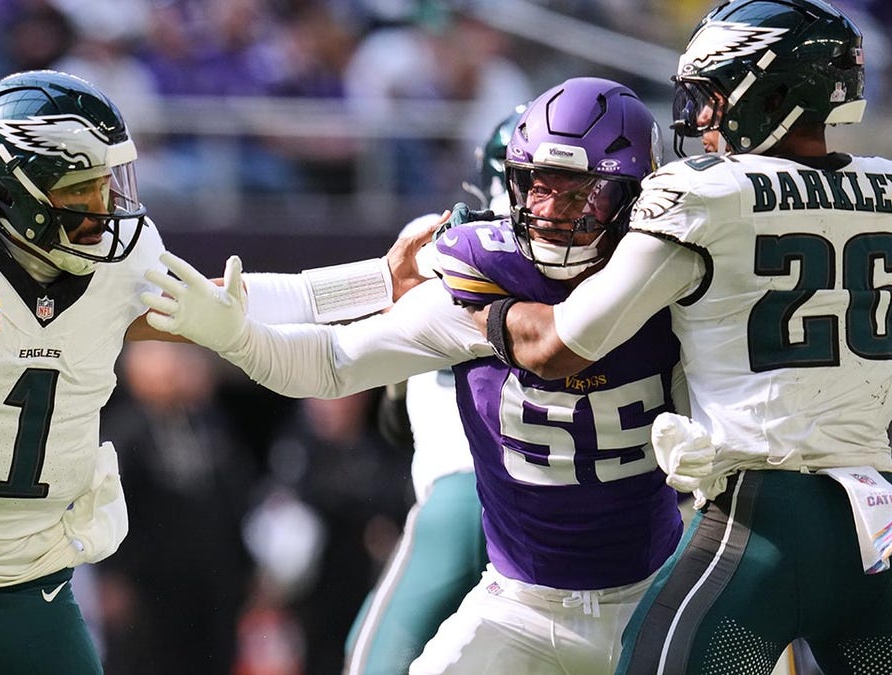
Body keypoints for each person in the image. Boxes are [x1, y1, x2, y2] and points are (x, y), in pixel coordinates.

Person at [0, 68, 437, 674]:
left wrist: (378, 280)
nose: (106, 207)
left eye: (108, 183)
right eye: (80, 189)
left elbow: (232, 301)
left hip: (29, 591)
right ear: (11, 190)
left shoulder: (120, 267)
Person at [142, 77, 687, 675]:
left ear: (636, 196)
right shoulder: (478, 275)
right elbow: (331, 362)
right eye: (537, 186)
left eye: (580, 194)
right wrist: (237, 337)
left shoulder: (677, 285)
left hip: (654, 597)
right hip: (520, 603)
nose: (551, 214)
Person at [458, 1, 892, 673]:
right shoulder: (885, 185)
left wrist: (474, 295)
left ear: (771, 94)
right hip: (880, 530)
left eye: (711, 96)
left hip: (764, 525)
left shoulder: (706, 195)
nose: (699, 119)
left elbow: (556, 347)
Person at [344, 105, 525, 675]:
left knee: (372, 660)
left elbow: (393, 416)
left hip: (458, 494)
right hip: (557, 508)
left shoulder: (440, 238)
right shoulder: (603, 265)